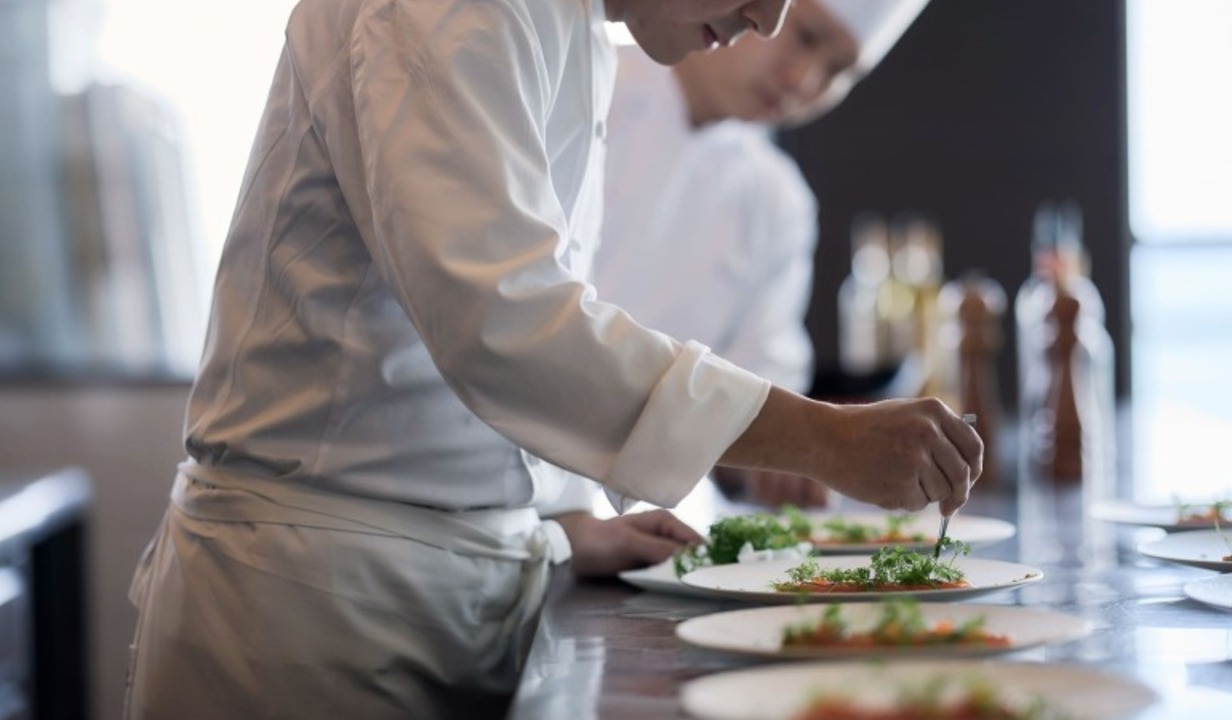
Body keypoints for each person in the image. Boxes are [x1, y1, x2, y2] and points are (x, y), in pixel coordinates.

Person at [124, 0, 983, 717]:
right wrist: (821, 438)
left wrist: (565, 518)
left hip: (467, 583)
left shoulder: (574, 31)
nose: (767, 17)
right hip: (312, 609)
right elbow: (501, 321)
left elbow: (498, 345)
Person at [595, 0, 931, 509]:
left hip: (649, 517)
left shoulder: (778, 199)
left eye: (839, 71)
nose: (803, 80)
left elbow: (763, 383)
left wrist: (791, 461)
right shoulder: (588, 86)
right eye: (807, 37)